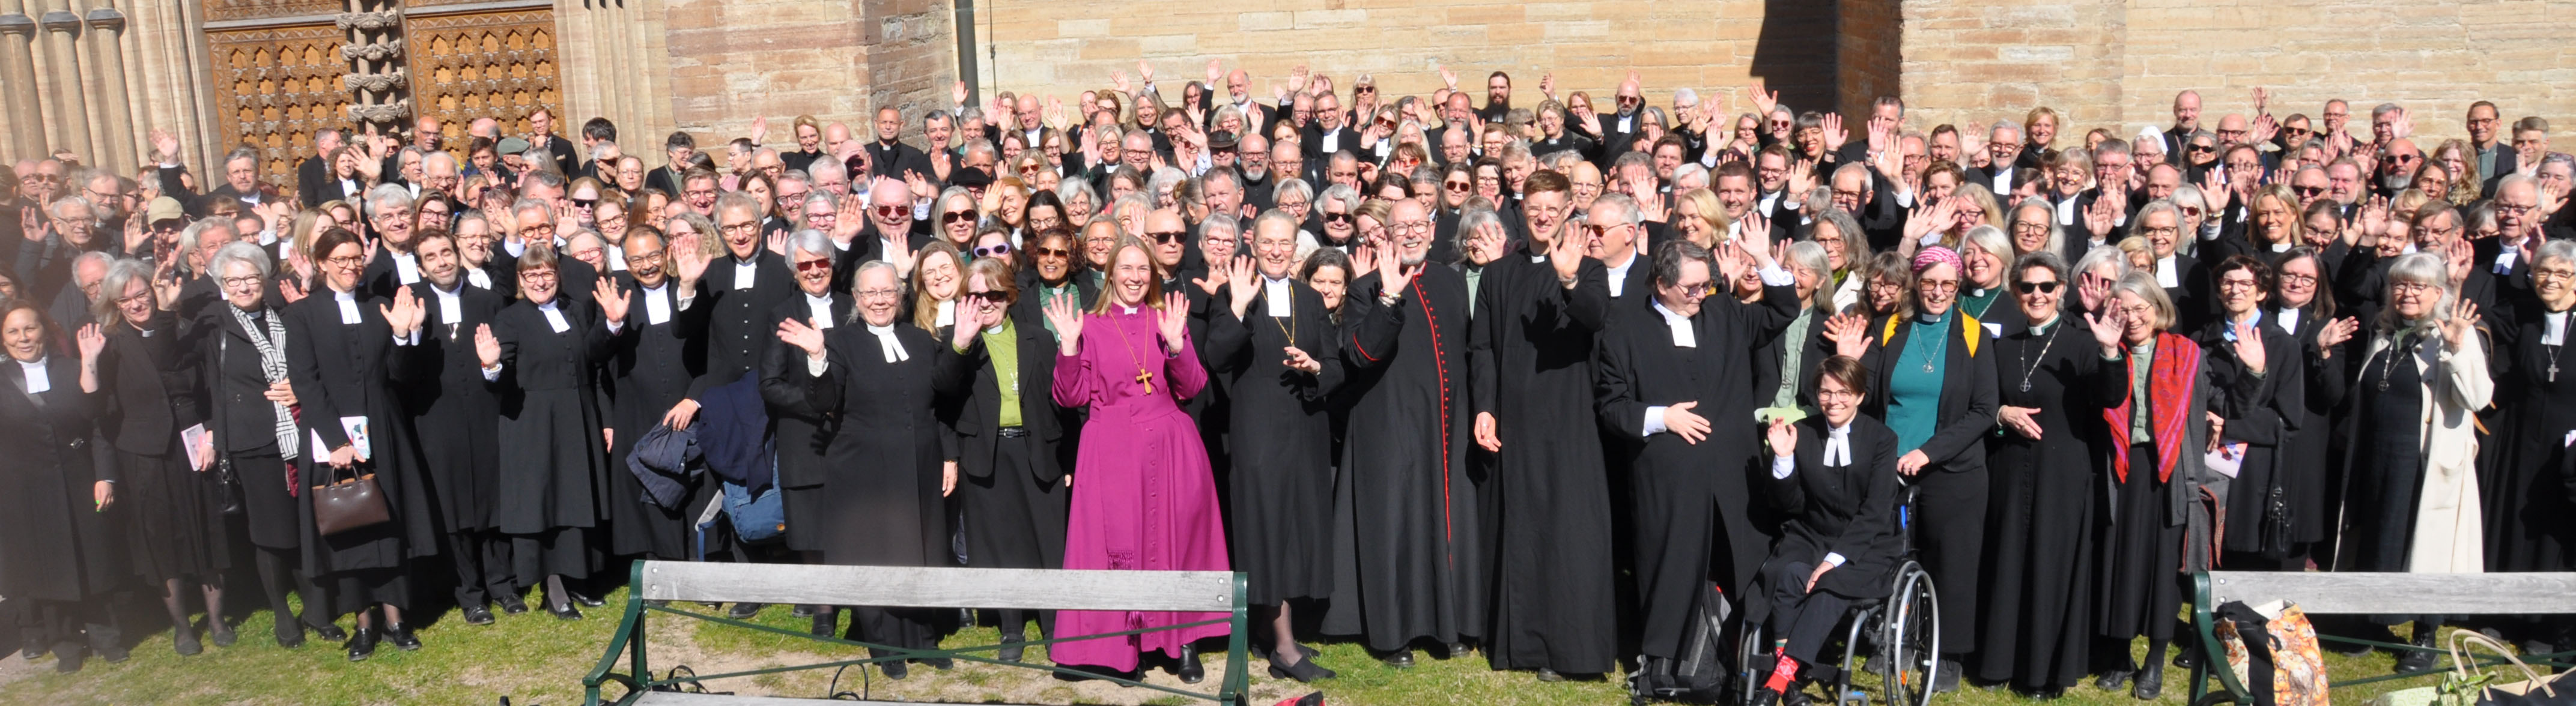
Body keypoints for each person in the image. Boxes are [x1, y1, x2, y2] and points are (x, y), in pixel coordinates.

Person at [1594, 237, 1797, 675]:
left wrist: (1763, 259)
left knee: (1744, 562)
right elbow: (1611, 405)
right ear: (1662, 283)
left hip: (1731, 475)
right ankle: (1664, 664)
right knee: (1670, 567)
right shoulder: (1625, 328)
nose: (1701, 295)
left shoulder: (1723, 313)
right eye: (1692, 288)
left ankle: (1743, 658)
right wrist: (1662, 416)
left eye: (1706, 286)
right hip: (1669, 478)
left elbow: (1785, 311)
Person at [768, 259, 975, 679]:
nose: (880, 300)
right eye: (870, 293)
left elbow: (944, 397)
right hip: (864, 469)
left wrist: (960, 345)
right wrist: (817, 356)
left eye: (887, 292)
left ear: (900, 297)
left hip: (919, 462)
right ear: (857, 299)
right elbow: (824, 401)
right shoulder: (838, 342)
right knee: (877, 552)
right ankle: (883, 643)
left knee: (921, 548)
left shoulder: (919, 339)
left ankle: (923, 639)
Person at [1040, 237, 1229, 681]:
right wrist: (1068, 347)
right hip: (1111, 447)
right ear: (1110, 275)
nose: (1135, 277)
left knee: (1177, 543)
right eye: (1126, 268)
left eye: (1143, 269)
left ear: (1153, 276)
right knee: (1112, 549)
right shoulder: (1090, 324)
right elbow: (1071, 397)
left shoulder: (1166, 318)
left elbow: (1193, 387)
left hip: (1169, 445)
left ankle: (1184, 641)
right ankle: (1116, 650)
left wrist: (1177, 346)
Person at [1822, 244, 1997, 692]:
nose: (1938, 292)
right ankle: (1892, 639)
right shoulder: (1891, 328)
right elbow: (1866, 391)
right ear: (1916, 284)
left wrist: (1930, 452)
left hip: (1952, 469)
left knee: (1951, 560)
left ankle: (1948, 653)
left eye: (1948, 284)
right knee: (1892, 553)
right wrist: (1850, 361)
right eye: (1929, 282)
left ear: (1958, 288)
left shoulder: (1976, 335)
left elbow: (1982, 411)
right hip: (1892, 465)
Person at [1470, 169, 1617, 680]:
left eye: (1554, 206)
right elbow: (1483, 346)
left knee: (1567, 531)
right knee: (1521, 530)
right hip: (1512, 421)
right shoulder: (1497, 274)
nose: (1544, 214)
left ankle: (1566, 648)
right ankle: (1520, 644)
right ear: (1523, 209)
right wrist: (1484, 406)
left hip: (1568, 420)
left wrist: (1570, 278)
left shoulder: (1589, 268)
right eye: (1535, 206)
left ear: (1567, 210)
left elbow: (1595, 317)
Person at [282, 228, 437, 661]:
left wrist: (405, 336)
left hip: (383, 429)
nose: (351, 267)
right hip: (332, 439)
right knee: (350, 526)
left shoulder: (379, 306)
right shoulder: (303, 315)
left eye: (357, 259)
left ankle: (396, 619)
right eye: (342, 260)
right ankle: (363, 625)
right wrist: (336, 441)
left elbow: (400, 375)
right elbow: (306, 383)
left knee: (387, 523)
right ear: (322, 263)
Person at [1203, 211, 1344, 681]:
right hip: (1259, 434)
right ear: (1254, 244)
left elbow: (1335, 366)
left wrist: (1316, 369)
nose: (1277, 250)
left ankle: (1276, 631)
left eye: (1286, 242)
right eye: (1269, 243)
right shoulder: (1235, 291)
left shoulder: (1310, 297)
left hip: (1305, 430)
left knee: (1296, 532)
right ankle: (1283, 649)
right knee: (1268, 532)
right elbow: (1216, 357)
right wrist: (1239, 307)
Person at [2339, 252, 2490, 671]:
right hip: (2379, 454)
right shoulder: (2385, 334)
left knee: (2428, 547)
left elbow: (2477, 398)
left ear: (2438, 293)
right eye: (2400, 285)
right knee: (2379, 539)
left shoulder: (2455, 336)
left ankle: (2425, 635)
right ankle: (2373, 622)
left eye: (2418, 286)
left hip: (2425, 462)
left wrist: (2457, 349)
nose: (2407, 293)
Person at [1974, 251, 2108, 697]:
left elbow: (2111, 396)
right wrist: (2001, 413)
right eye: (2028, 287)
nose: (2037, 295)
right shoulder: (2003, 346)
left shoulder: (2084, 343)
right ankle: (1997, 663)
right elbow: (1982, 403)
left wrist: (2110, 351)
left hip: (2063, 473)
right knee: (2007, 562)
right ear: (2015, 293)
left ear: (2061, 291)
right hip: (2009, 468)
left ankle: (2042, 673)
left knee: (2051, 566)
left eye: (2047, 287)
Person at [88, 258, 234, 655]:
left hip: (193, 447)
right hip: (144, 455)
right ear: (115, 306)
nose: (137, 303)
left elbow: (210, 392)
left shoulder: (182, 330)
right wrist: (88, 364)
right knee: (160, 541)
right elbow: (98, 412)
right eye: (126, 299)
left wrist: (211, 434)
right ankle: (183, 627)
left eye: (142, 294)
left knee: (206, 530)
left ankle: (218, 619)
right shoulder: (110, 345)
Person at [2088, 271, 2222, 699]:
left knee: (2164, 569)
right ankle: (2120, 654)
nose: (2132, 317)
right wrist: (2109, 349)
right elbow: (2108, 401)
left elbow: (2216, 402)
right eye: (2122, 308)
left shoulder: (2188, 354)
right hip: (2125, 470)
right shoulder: (2111, 353)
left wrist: (2252, 378)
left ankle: (2156, 661)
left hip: (2170, 472)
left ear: (2158, 308)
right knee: (2121, 561)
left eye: (2139, 307)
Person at [472, 243, 619, 619]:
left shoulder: (574, 309)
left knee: (574, 498)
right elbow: (500, 379)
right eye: (531, 274)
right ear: (521, 280)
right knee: (544, 504)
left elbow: (595, 364)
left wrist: (605, 418)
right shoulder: (511, 318)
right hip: (533, 423)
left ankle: (577, 578)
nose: (540, 281)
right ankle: (554, 588)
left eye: (547, 273)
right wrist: (490, 367)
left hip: (577, 417)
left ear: (558, 276)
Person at [1746, 355, 1903, 706]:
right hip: (1813, 533)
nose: (1834, 401)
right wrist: (1783, 459)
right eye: (1825, 392)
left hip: (1868, 542)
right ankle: (1792, 682)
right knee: (1788, 575)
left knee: (1830, 584)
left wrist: (1833, 560)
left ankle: (1778, 682)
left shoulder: (1882, 440)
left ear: (1860, 396)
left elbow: (1876, 512)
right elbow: (1791, 504)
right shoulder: (1805, 433)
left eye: (1844, 392)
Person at [0, 298, 132, 672]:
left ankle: (107, 637)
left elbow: (98, 429)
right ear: (3, 338)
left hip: (79, 482)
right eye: (13, 331)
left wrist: (105, 476)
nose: (24, 338)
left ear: (45, 330)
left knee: (94, 561)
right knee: (46, 569)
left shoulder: (72, 369)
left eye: (30, 328)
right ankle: (66, 644)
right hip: (24, 494)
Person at [950, 255, 1071, 663]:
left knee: (1047, 541)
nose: (986, 302)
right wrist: (960, 344)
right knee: (1002, 543)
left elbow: (1063, 405)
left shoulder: (1039, 339)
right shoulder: (960, 342)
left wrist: (1069, 461)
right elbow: (942, 391)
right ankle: (1012, 628)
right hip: (989, 455)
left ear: (1010, 296)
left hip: (1038, 450)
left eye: (995, 294)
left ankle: (1053, 624)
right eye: (976, 295)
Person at [399, 230, 515, 624]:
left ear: (458, 254)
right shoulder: (411, 306)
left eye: (446, 252)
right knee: (453, 510)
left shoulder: (488, 301)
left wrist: (493, 366)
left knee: (493, 502)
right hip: (436, 421)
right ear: (420, 266)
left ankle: (503, 584)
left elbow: (505, 368)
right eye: (431, 257)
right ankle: (470, 594)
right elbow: (400, 375)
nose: (442, 261)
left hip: (486, 415)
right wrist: (410, 333)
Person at [2196, 256, 2310, 570]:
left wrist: (2228, 426)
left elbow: (2288, 421)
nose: (2236, 290)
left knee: (2246, 557)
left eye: (2246, 283)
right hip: (2208, 459)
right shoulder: (2201, 342)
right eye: (2228, 283)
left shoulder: (2283, 346)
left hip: (2256, 469)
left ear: (2261, 292)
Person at [599, 227, 705, 564]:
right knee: (649, 492)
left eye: (654, 255)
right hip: (638, 411)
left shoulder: (689, 288)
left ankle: (699, 560)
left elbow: (713, 350)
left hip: (689, 407)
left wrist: (696, 398)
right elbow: (593, 355)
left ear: (668, 253)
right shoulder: (618, 298)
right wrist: (613, 324)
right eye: (637, 259)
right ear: (626, 264)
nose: (647, 265)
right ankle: (661, 562)